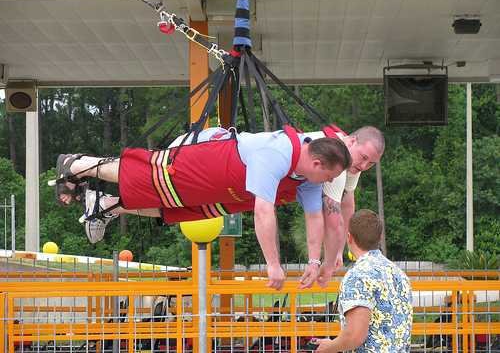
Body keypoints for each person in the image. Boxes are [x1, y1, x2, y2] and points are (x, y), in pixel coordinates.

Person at [54, 125, 351, 290]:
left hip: (225, 188)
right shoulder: (277, 153)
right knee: (151, 177)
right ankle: (77, 164)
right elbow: (264, 212)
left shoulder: (308, 179)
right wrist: (273, 264)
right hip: (207, 157)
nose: (330, 183)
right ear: (317, 163)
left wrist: (315, 262)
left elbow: (315, 217)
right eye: (331, 176)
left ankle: (105, 204)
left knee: (178, 209)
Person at [313, 209, 413, 352]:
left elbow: (355, 335)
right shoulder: (400, 275)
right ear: (379, 238)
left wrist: (330, 347)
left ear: (349, 237)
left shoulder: (357, 277)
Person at [311, 126, 385, 287]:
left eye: (371, 163)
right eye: (363, 157)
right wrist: (328, 262)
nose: (364, 166)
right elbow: (332, 218)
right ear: (351, 141)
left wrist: (339, 251)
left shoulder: (353, 162)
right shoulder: (336, 157)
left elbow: (347, 203)